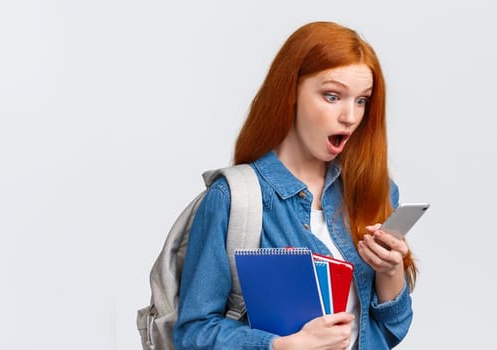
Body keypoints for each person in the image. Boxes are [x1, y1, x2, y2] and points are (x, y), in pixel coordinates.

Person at [173, 21, 417, 350]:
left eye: (362, 101)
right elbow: (193, 334)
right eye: (332, 96)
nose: (350, 116)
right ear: (291, 92)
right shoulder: (234, 199)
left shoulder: (377, 191)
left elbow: (389, 333)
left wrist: (391, 272)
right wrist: (282, 346)